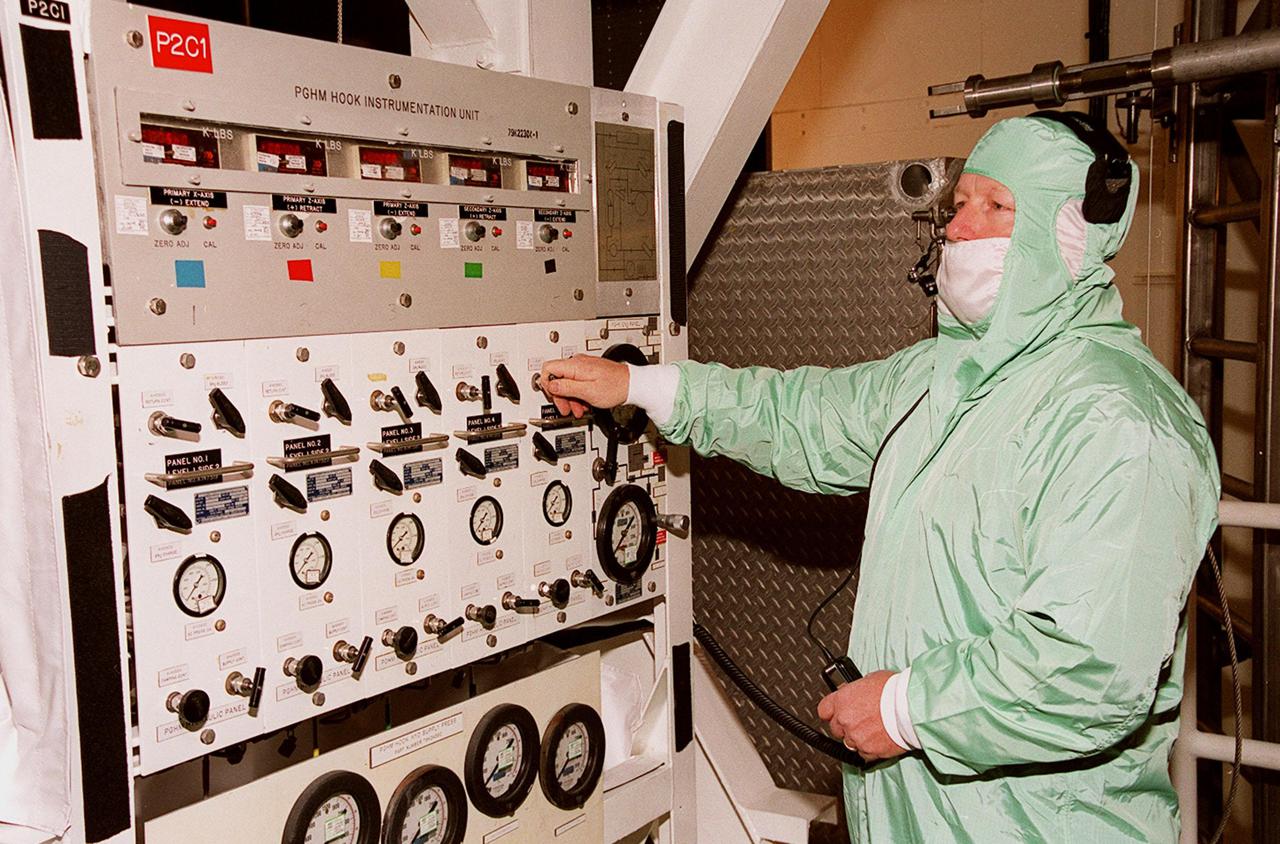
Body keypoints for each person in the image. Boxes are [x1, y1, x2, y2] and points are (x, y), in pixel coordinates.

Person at [540, 115, 1219, 842]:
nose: (959, 228)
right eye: (960, 204)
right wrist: (639, 386)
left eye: (997, 206)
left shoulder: (1122, 424)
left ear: (1072, 236)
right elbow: (803, 415)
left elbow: (1088, 672)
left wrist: (906, 711)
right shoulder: (940, 376)